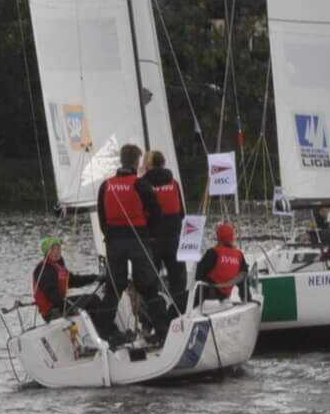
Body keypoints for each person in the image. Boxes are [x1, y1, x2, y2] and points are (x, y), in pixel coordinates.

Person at [97, 143, 166, 340]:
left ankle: (104, 332)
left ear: (121, 160)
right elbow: (157, 213)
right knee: (148, 286)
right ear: (136, 162)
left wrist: (110, 234)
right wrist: (148, 234)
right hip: (138, 240)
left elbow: (102, 216)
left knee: (114, 287)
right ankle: (162, 331)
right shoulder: (141, 185)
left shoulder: (106, 185)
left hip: (114, 242)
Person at [139, 149, 188, 308]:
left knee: (150, 281)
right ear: (163, 163)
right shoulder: (174, 183)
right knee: (178, 280)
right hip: (173, 238)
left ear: (147, 164)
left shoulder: (142, 185)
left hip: (152, 239)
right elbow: (181, 213)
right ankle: (179, 311)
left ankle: (154, 314)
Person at [195, 221, 248, 303]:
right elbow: (243, 277)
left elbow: (198, 275)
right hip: (225, 295)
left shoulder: (213, 252)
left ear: (218, 237)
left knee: (179, 298)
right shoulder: (239, 255)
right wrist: (246, 297)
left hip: (208, 294)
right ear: (232, 237)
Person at [32, 235, 74, 322]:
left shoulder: (58, 266)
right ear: (46, 252)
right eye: (52, 249)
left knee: (92, 300)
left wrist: (96, 278)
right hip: (52, 311)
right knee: (93, 301)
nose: (56, 252)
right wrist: (70, 308)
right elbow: (51, 293)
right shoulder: (44, 269)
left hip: (60, 305)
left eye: (58, 249)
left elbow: (73, 281)